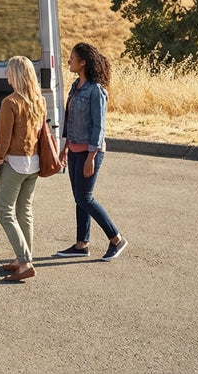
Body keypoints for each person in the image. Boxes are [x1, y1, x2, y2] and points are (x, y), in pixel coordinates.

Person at [55, 42, 129, 261]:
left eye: (72, 57)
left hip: (90, 152)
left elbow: (99, 127)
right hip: (74, 149)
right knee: (79, 198)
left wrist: (91, 157)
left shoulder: (96, 90)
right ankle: (82, 244)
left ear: (83, 62)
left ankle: (116, 239)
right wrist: (65, 147)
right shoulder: (75, 86)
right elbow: (69, 120)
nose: (69, 60)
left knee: (85, 198)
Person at [0, 56, 50, 282]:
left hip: (14, 163)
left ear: (16, 74)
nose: (6, 75)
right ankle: (22, 257)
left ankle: (24, 262)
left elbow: (3, 139)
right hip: (33, 163)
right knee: (24, 211)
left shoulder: (10, 102)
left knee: (5, 212)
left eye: (8, 71)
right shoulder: (39, 100)